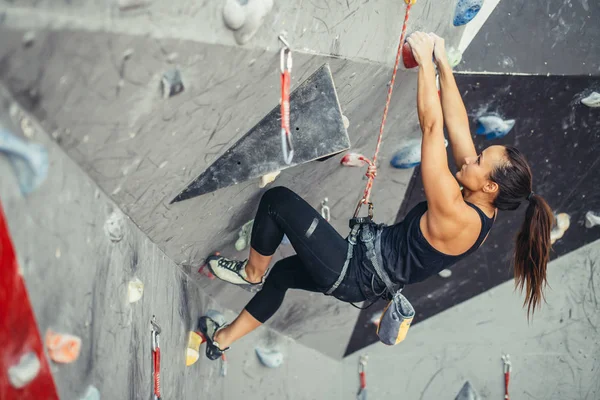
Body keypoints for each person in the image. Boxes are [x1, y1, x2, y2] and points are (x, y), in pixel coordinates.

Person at [197, 32, 554, 360]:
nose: (471, 157)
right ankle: (221, 341)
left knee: (277, 202)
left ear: (490, 186)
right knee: (286, 275)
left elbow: (433, 126)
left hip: (354, 272)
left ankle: (251, 271)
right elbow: (456, 124)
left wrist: (426, 59)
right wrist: (442, 61)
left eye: (479, 160)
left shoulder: (458, 214)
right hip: (363, 267)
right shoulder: (481, 201)